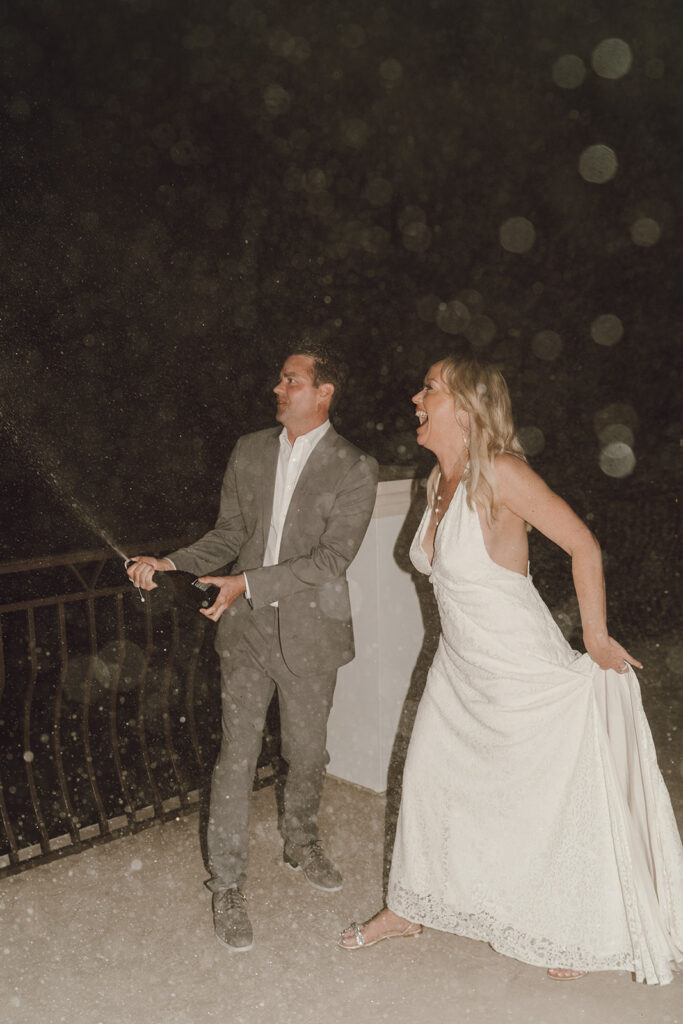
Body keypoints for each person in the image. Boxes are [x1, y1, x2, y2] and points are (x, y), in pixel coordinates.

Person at [339, 355, 683, 985]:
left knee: (541, 794)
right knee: (430, 783)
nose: (416, 398)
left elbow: (583, 544)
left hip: (519, 665)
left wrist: (597, 636)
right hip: (460, 665)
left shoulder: (501, 472)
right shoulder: (433, 480)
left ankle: (572, 921)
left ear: (466, 409)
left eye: (430, 390)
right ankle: (407, 909)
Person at [128, 343, 379, 952]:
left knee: (307, 753)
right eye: (280, 379)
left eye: (291, 380)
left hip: (310, 634)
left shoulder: (354, 466)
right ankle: (228, 883)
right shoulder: (250, 449)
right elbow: (231, 533)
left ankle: (300, 838)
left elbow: (331, 559)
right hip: (244, 634)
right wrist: (172, 562)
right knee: (235, 759)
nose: (278, 387)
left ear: (324, 392)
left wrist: (249, 583)